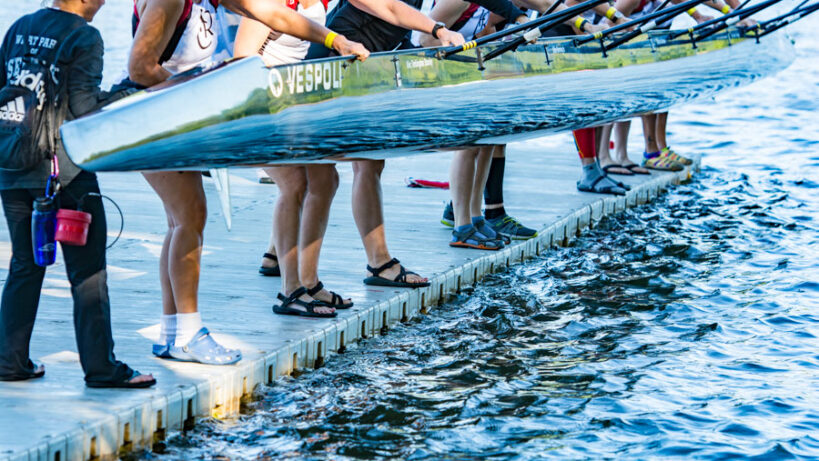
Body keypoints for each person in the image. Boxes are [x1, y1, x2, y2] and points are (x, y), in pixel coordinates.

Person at [128, 0, 368, 363]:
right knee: (190, 220)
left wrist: (335, 40)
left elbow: (274, 14)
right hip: (158, 117)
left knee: (180, 223)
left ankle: (172, 333)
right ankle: (190, 334)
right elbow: (140, 68)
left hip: (181, 115)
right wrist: (201, 96)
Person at [0, 0, 155, 388]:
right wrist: (129, 95)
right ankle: (102, 369)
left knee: (25, 263)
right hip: (65, 173)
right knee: (88, 273)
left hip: (13, 164)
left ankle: (9, 361)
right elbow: (86, 109)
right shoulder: (83, 36)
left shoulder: (19, 26)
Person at [233, 1, 352, 317]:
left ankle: (309, 282)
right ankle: (290, 290)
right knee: (294, 183)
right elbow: (241, 58)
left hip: (298, 104)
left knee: (327, 180)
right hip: (264, 104)